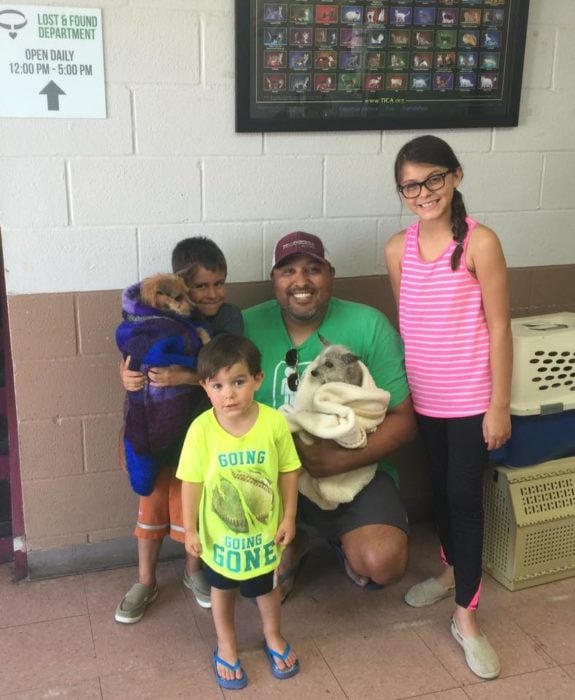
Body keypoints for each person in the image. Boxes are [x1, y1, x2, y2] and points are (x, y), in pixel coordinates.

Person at [385, 135, 512, 680]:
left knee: (465, 498)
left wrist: (499, 404)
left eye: (433, 179)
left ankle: (466, 616)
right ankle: (448, 572)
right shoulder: (397, 249)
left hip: (471, 401)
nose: (423, 192)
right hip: (426, 401)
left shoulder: (481, 243)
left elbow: (500, 327)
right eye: (410, 185)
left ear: (456, 176)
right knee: (439, 491)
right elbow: (411, 324)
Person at [242, 231, 417, 599]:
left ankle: (338, 537)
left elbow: (404, 418)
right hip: (269, 474)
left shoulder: (368, 324)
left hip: (352, 469)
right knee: (252, 578)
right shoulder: (244, 326)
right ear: (274, 280)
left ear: (331, 275)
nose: (301, 281)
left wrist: (341, 459)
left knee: (382, 565)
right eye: (287, 271)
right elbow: (199, 386)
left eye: (313, 269)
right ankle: (298, 541)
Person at [115, 237, 243, 623]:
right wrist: (126, 374)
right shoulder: (155, 315)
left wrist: (185, 375)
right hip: (155, 426)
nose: (211, 293)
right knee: (152, 497)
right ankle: (145, 580)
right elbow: (133, 354)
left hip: (201, 427)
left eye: (219, 283)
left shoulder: (228, 319)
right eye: (201, 286)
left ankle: (192, 572)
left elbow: (229, 374)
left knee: (193, 502)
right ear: (181, 286)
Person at [178, 334, 301, 689]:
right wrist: (191, 529)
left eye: (238, 382)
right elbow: (191, 482)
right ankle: (226, 645)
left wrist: (289, 516)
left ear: (258, 379)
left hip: (262, 537)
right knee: (222, 591)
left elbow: (288, 470)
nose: (228, 393)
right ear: (205, 387)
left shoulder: (273, 422)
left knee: (267, 589)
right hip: (221, 541)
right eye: (217, 385)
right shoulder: (201, 430)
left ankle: (273, 635)